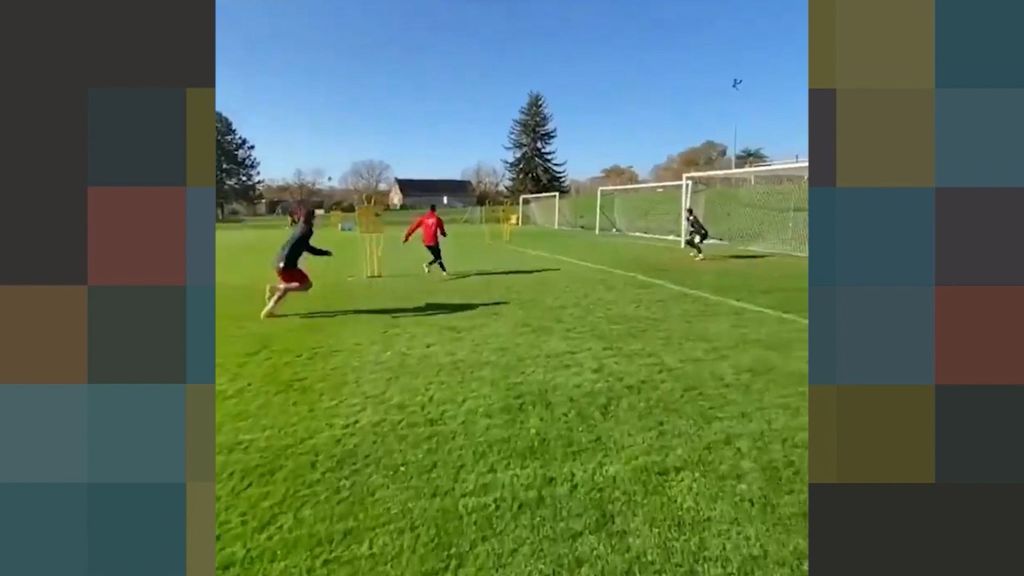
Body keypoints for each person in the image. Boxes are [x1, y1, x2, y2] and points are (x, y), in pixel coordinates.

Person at [261, 208, 332, 319]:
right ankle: (271, 304)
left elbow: (302, 245)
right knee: (304, 285)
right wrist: (323, 253)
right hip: (286, 265)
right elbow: (306, 247)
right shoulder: (307, 230)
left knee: (295, 286)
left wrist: (322, 252)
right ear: (311, 218)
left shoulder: (300, 227)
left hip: (280, 262)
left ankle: (272, 298)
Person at [403, 204, 448, 275]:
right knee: (438, 257)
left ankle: (444, 270)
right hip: (433, 241)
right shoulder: (437, 219)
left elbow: (413, 227)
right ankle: (429, 265)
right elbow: (441, 229)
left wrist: (407, 236)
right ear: (435, 210)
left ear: (429, 210)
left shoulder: (423, 218)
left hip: (426, 242)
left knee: (437, 256)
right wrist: (444, 234)